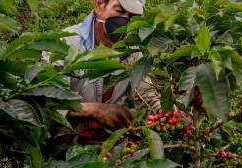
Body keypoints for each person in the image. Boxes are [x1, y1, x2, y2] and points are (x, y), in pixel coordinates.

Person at [47, 0, 161, 132]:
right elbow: (49, 103)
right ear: (99, 5)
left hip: (109, 145)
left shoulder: (132, 52)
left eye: (132, 16)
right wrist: (94, 110)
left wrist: (175, 115)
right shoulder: (64, 44)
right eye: (119, 11)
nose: (125, 20)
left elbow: (149, 99)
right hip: (64, 142)